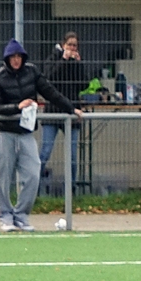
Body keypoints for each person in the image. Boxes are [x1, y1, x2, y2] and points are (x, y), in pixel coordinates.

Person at [0, 39, 83, 232]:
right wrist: (17, 107)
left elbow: (50, 92)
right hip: (5, 132)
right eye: (12, 57)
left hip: (26, 132)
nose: (16, 60)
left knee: (33, 173)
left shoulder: (32, 72)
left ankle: (21, 215)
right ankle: (5, 217)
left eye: (19, 56)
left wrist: (71, 108)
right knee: (3, 178)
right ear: (7, 59)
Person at [40, 32, 86, 188]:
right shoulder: (53, 58)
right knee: (45, 151)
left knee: (72, 155)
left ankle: (71, 189)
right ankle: (35, 187)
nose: (72, 48)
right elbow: (49, 78)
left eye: (75, 45)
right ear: (63, 45)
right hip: (53, 111)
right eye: (69, 45)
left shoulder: (76, 61)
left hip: (72, 110)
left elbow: (83, 85)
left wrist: (79, 64)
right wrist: (63, 60)